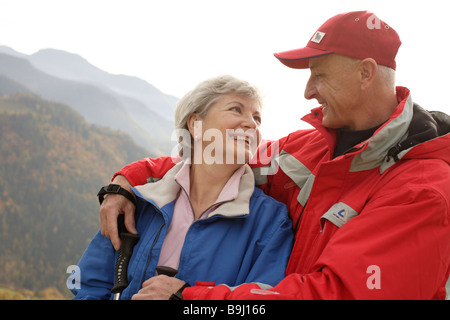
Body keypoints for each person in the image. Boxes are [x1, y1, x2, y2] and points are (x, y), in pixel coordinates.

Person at [99, 11, 450, 299]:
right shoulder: (306, 149)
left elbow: (340, 294)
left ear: (365, 72)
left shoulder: (423, 190)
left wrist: (191, 300)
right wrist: (130, 180)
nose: (308, 91)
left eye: (319, 75)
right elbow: (213, 161)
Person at [71, 75, 293, 300]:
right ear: (195, 125)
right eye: (236, 109)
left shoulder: (272, 222)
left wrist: (184, 298)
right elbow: (90, 286)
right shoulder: (138, 200)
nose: (252, 124)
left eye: (257, 118)